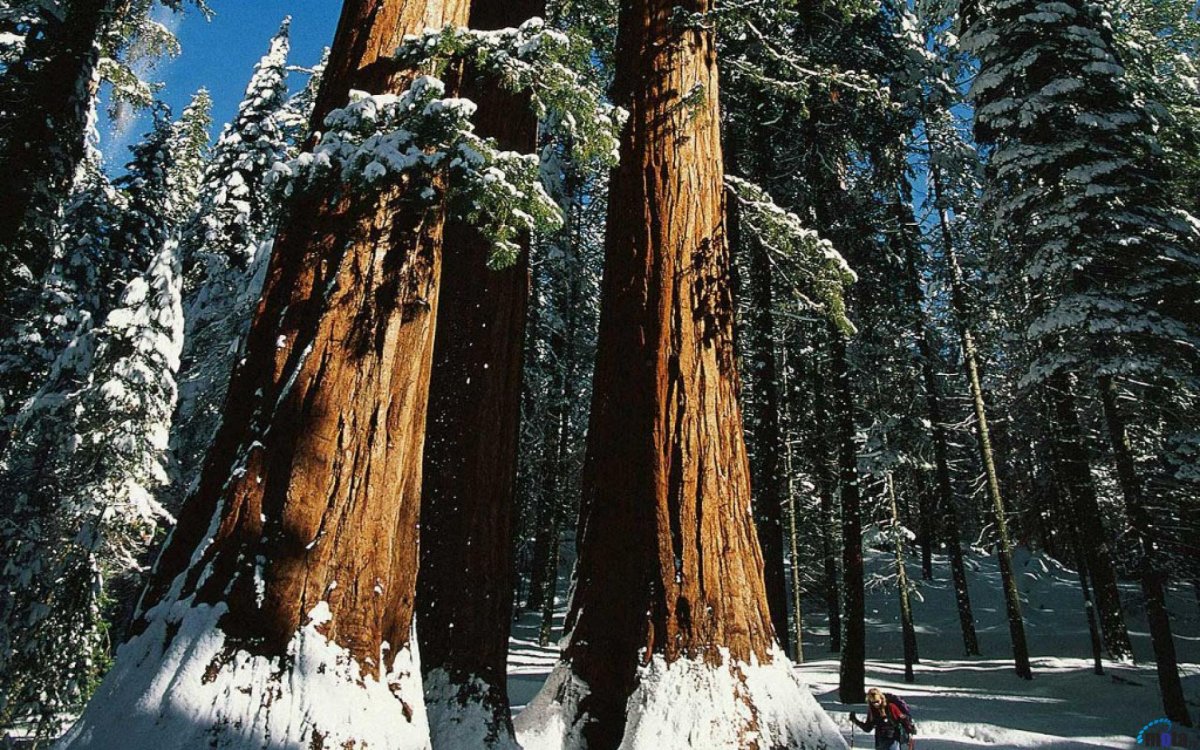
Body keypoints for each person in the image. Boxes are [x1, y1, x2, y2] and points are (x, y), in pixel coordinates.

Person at [849, 688, 916, 750]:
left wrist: (910, 732)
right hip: (880, 742)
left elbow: (903, 720)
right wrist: (855, 720)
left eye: (877, 701)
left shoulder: (891, 707)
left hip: (893, 740)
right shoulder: (872, 711)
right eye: (873, 702)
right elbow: (868, 728)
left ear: (881, 698)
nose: (876, 704)